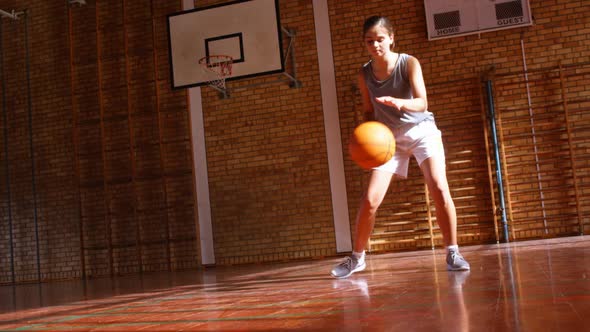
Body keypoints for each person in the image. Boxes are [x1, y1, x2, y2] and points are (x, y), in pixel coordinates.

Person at [331, 15, 470, 279]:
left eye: (380, 39)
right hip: (387, 139)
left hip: (421, 131)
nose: (375, 45)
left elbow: (422, 103)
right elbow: (368, 111)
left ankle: (453, 251)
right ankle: (356, 258)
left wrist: (399, 102)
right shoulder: (364, 73)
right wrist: (364, 139)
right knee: (370, 200)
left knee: (438, 186)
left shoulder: (408, 63)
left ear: (392, 38)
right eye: (369, 41)